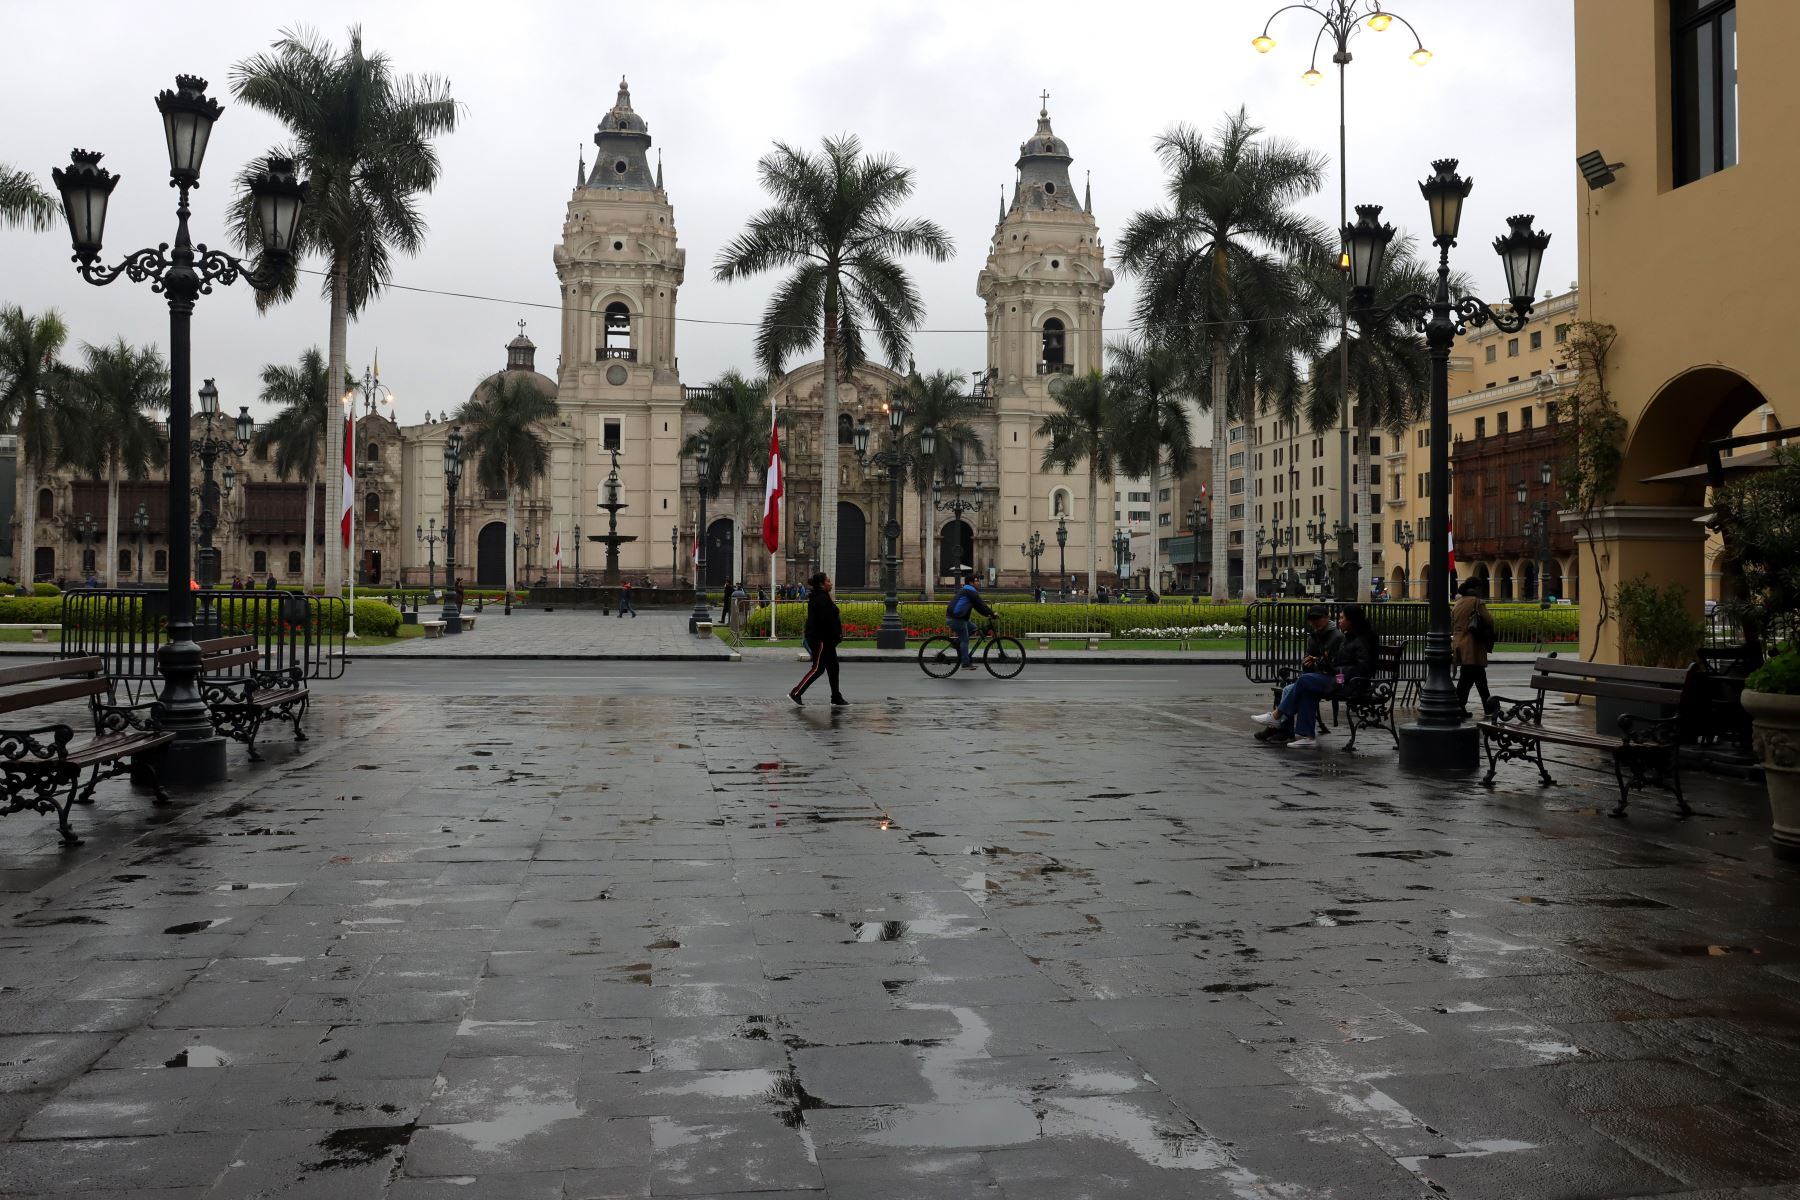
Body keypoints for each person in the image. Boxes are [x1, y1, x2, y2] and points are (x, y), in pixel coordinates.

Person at [1252, 605, 1377, 749]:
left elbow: (1362, 669)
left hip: (1349, 683)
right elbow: (1338, 662)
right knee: (1307, 689)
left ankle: (1276, 715)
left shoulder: (1360, 640)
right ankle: (1307, 736)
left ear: (1352, 620)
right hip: (1341, 678)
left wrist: (1336, 672)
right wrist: (1320, 662)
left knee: (1305, 680)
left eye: (1342, 618)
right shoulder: (1349, 638)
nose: (1339, 621)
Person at [790, 572, 847, 706]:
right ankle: (796, 692)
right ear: (822, 584)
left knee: (833, 667)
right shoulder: (820, 599)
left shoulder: (822, 596)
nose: (831, 583)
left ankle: (836, 696)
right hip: (821, 640)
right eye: (828, 581)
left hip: (827, 640)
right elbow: (824, 622)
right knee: (818, 668)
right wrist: (833, 635)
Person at [1452, 577, 1498, 716]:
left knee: (1474, 678)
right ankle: (1461, 706)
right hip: (1473, 644)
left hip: (1459, 643)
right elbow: (1489, 620)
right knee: (1471, 678)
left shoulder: (1458, 603)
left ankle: (1467, 706)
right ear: (1477, 588)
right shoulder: (1477, 602)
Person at [945, 577, 996, 671]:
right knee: (965, 640)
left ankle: (956, 643)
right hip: (956, 619)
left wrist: (988, 614)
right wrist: (992, 613)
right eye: (976, 581)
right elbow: (981, 604)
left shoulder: (967, 590)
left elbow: (978, 607)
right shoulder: (970, 591)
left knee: (974, 628)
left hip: (958, 618)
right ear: (971, 582)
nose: (978, 582)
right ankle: (965, 663)